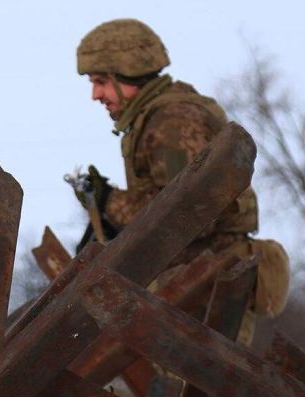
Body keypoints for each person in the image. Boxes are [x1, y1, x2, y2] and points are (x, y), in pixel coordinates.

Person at [74, 18, 288, 343]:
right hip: (192, 284)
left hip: (206, 286)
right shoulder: (158, 118)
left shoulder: (173, 122)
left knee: (198, 391)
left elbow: (187, 215)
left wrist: (108, 201)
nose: (95, 94)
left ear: (130, 73)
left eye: (101, 81)